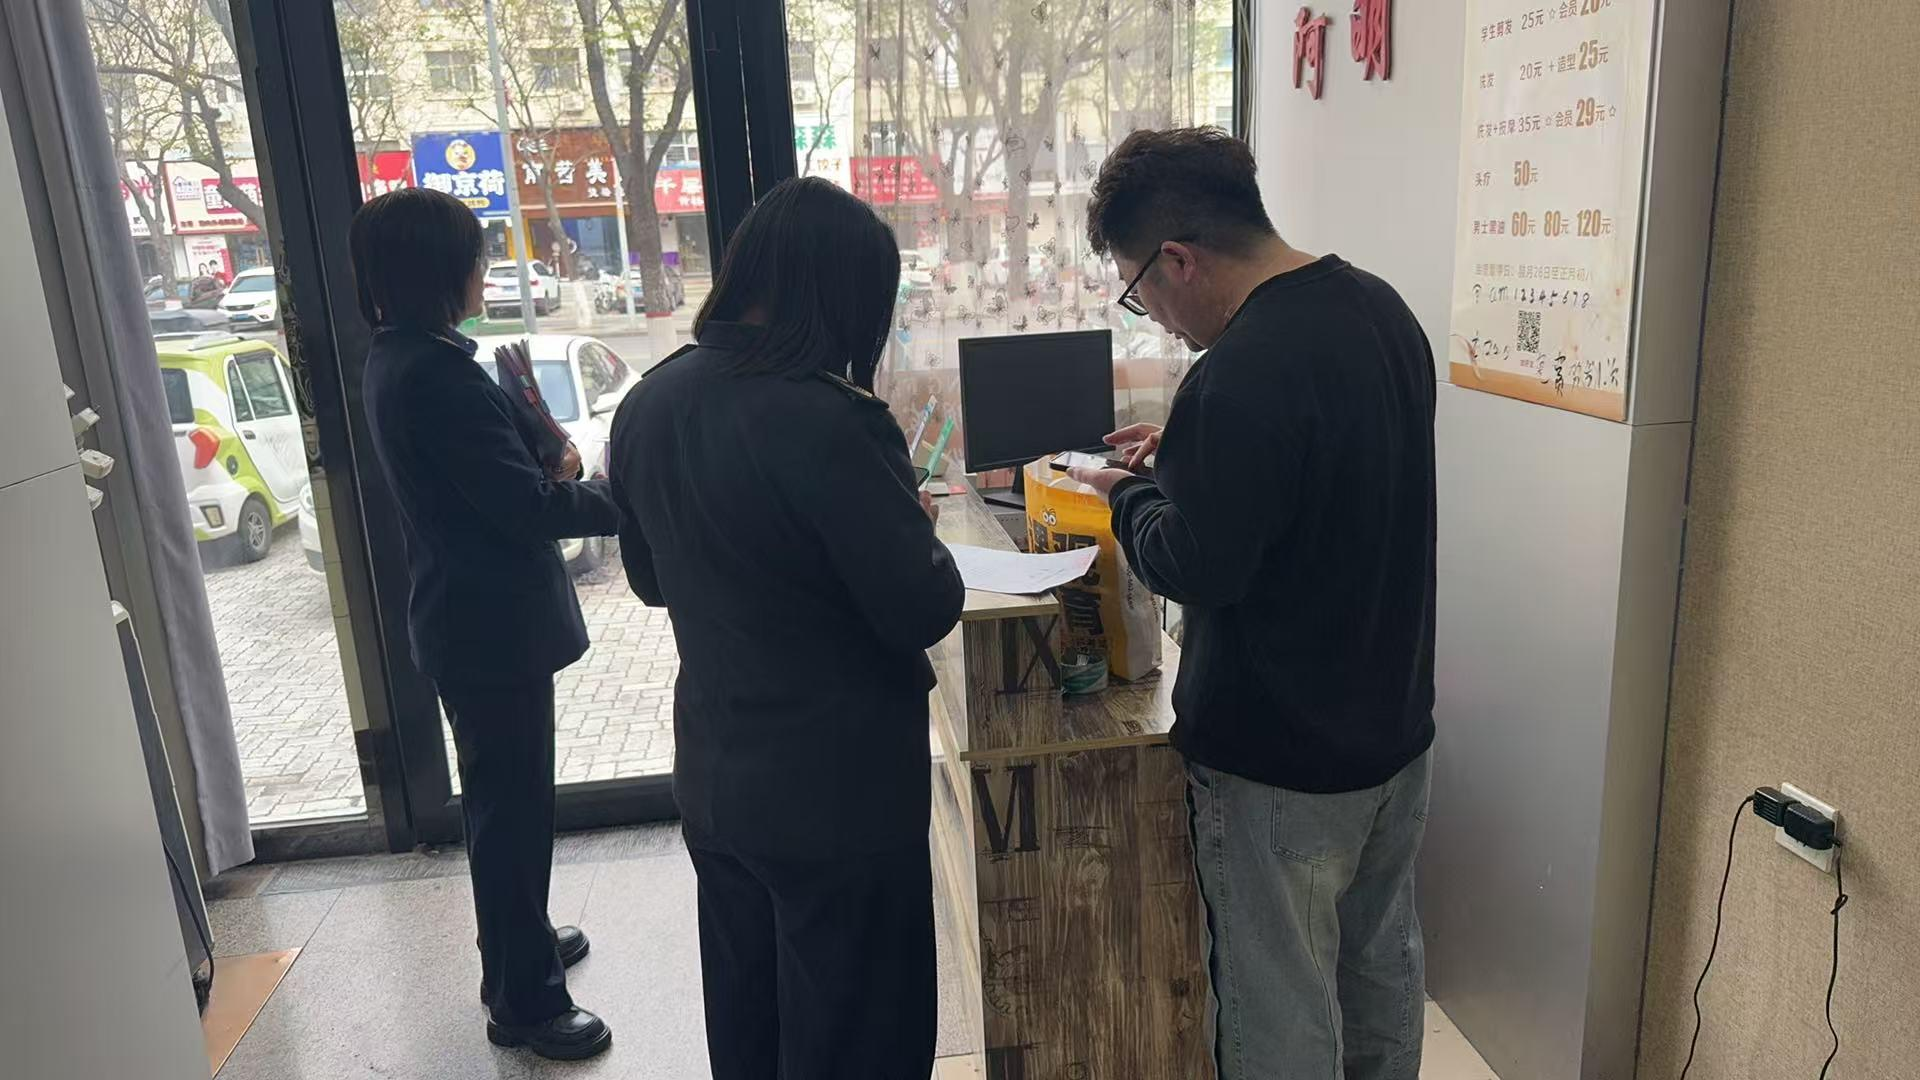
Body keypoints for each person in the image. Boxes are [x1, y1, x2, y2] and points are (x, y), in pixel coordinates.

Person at [1068, 128, 1438, 1080]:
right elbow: (1327, 473)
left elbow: (1195, 566)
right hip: (1394, 732)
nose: (1154, 316)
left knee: (1282, 1012)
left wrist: (1127, 494)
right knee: (1380, 972)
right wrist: (1188, 452)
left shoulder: (1237, 371)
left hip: (1280, 762)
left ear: (1178, 259)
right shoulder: (1381, 309)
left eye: (1138, 287)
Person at [606, 176, 965, 1080]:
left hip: (717, 777)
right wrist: (914, 529)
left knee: (750, 1018)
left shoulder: (650, 401)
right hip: (840, 793)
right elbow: (923, 607)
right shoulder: (831, 419)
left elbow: (648, 581)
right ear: (845, 295)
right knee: (858, 1038)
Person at [350, 187, 621, 1061]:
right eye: (475, 257)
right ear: (441, 271)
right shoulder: (436, 377)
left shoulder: (402, 355)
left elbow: (493, 480)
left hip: (468, 620)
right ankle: (524, 1001)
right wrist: (622, 498)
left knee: (506, 808)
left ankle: (519, 942)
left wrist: (535, 439)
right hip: (489, 631)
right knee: (510, 818)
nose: (484, 271)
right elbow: (526, 506)